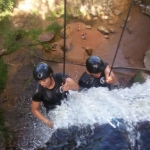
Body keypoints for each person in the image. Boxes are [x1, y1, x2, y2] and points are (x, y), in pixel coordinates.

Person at [31, 62, 79, 128]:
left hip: (68, 105)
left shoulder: (59, 77)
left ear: (50, 75)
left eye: (44, 80)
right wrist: (47, 122)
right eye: (39, 81)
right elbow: (34, 109)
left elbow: (76, 87)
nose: (42, 84)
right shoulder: (39, 92)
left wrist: (69, 86)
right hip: (55, 113)